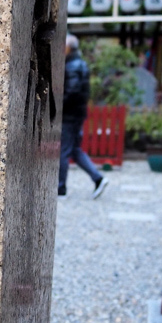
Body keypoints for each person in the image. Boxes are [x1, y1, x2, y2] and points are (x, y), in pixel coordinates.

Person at [59, 34, 109, 199]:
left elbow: (72, 92)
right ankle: (98, 178)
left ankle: (60, 188)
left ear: (68, 48)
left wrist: (59, 107)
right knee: (74, 149)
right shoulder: (80, 64)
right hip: (77, 114)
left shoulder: (72, 66)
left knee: (64, 151)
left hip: (69, 115)